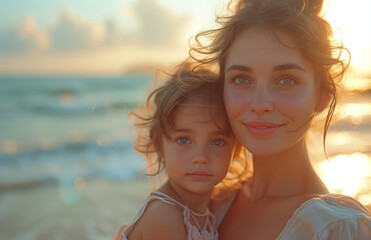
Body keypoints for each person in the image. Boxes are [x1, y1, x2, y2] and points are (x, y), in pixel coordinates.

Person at [189, 0, 371, 239]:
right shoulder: (208, 206)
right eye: (241, 79)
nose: (260, 104)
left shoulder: (339, 228)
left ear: (322, 96)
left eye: (286, 80)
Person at [113, 62, 247, 240]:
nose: (201, 157)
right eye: (183, 140)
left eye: (217, 141)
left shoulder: (205, 208)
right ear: (159, 146)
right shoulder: (164, 216)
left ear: (236, 150)